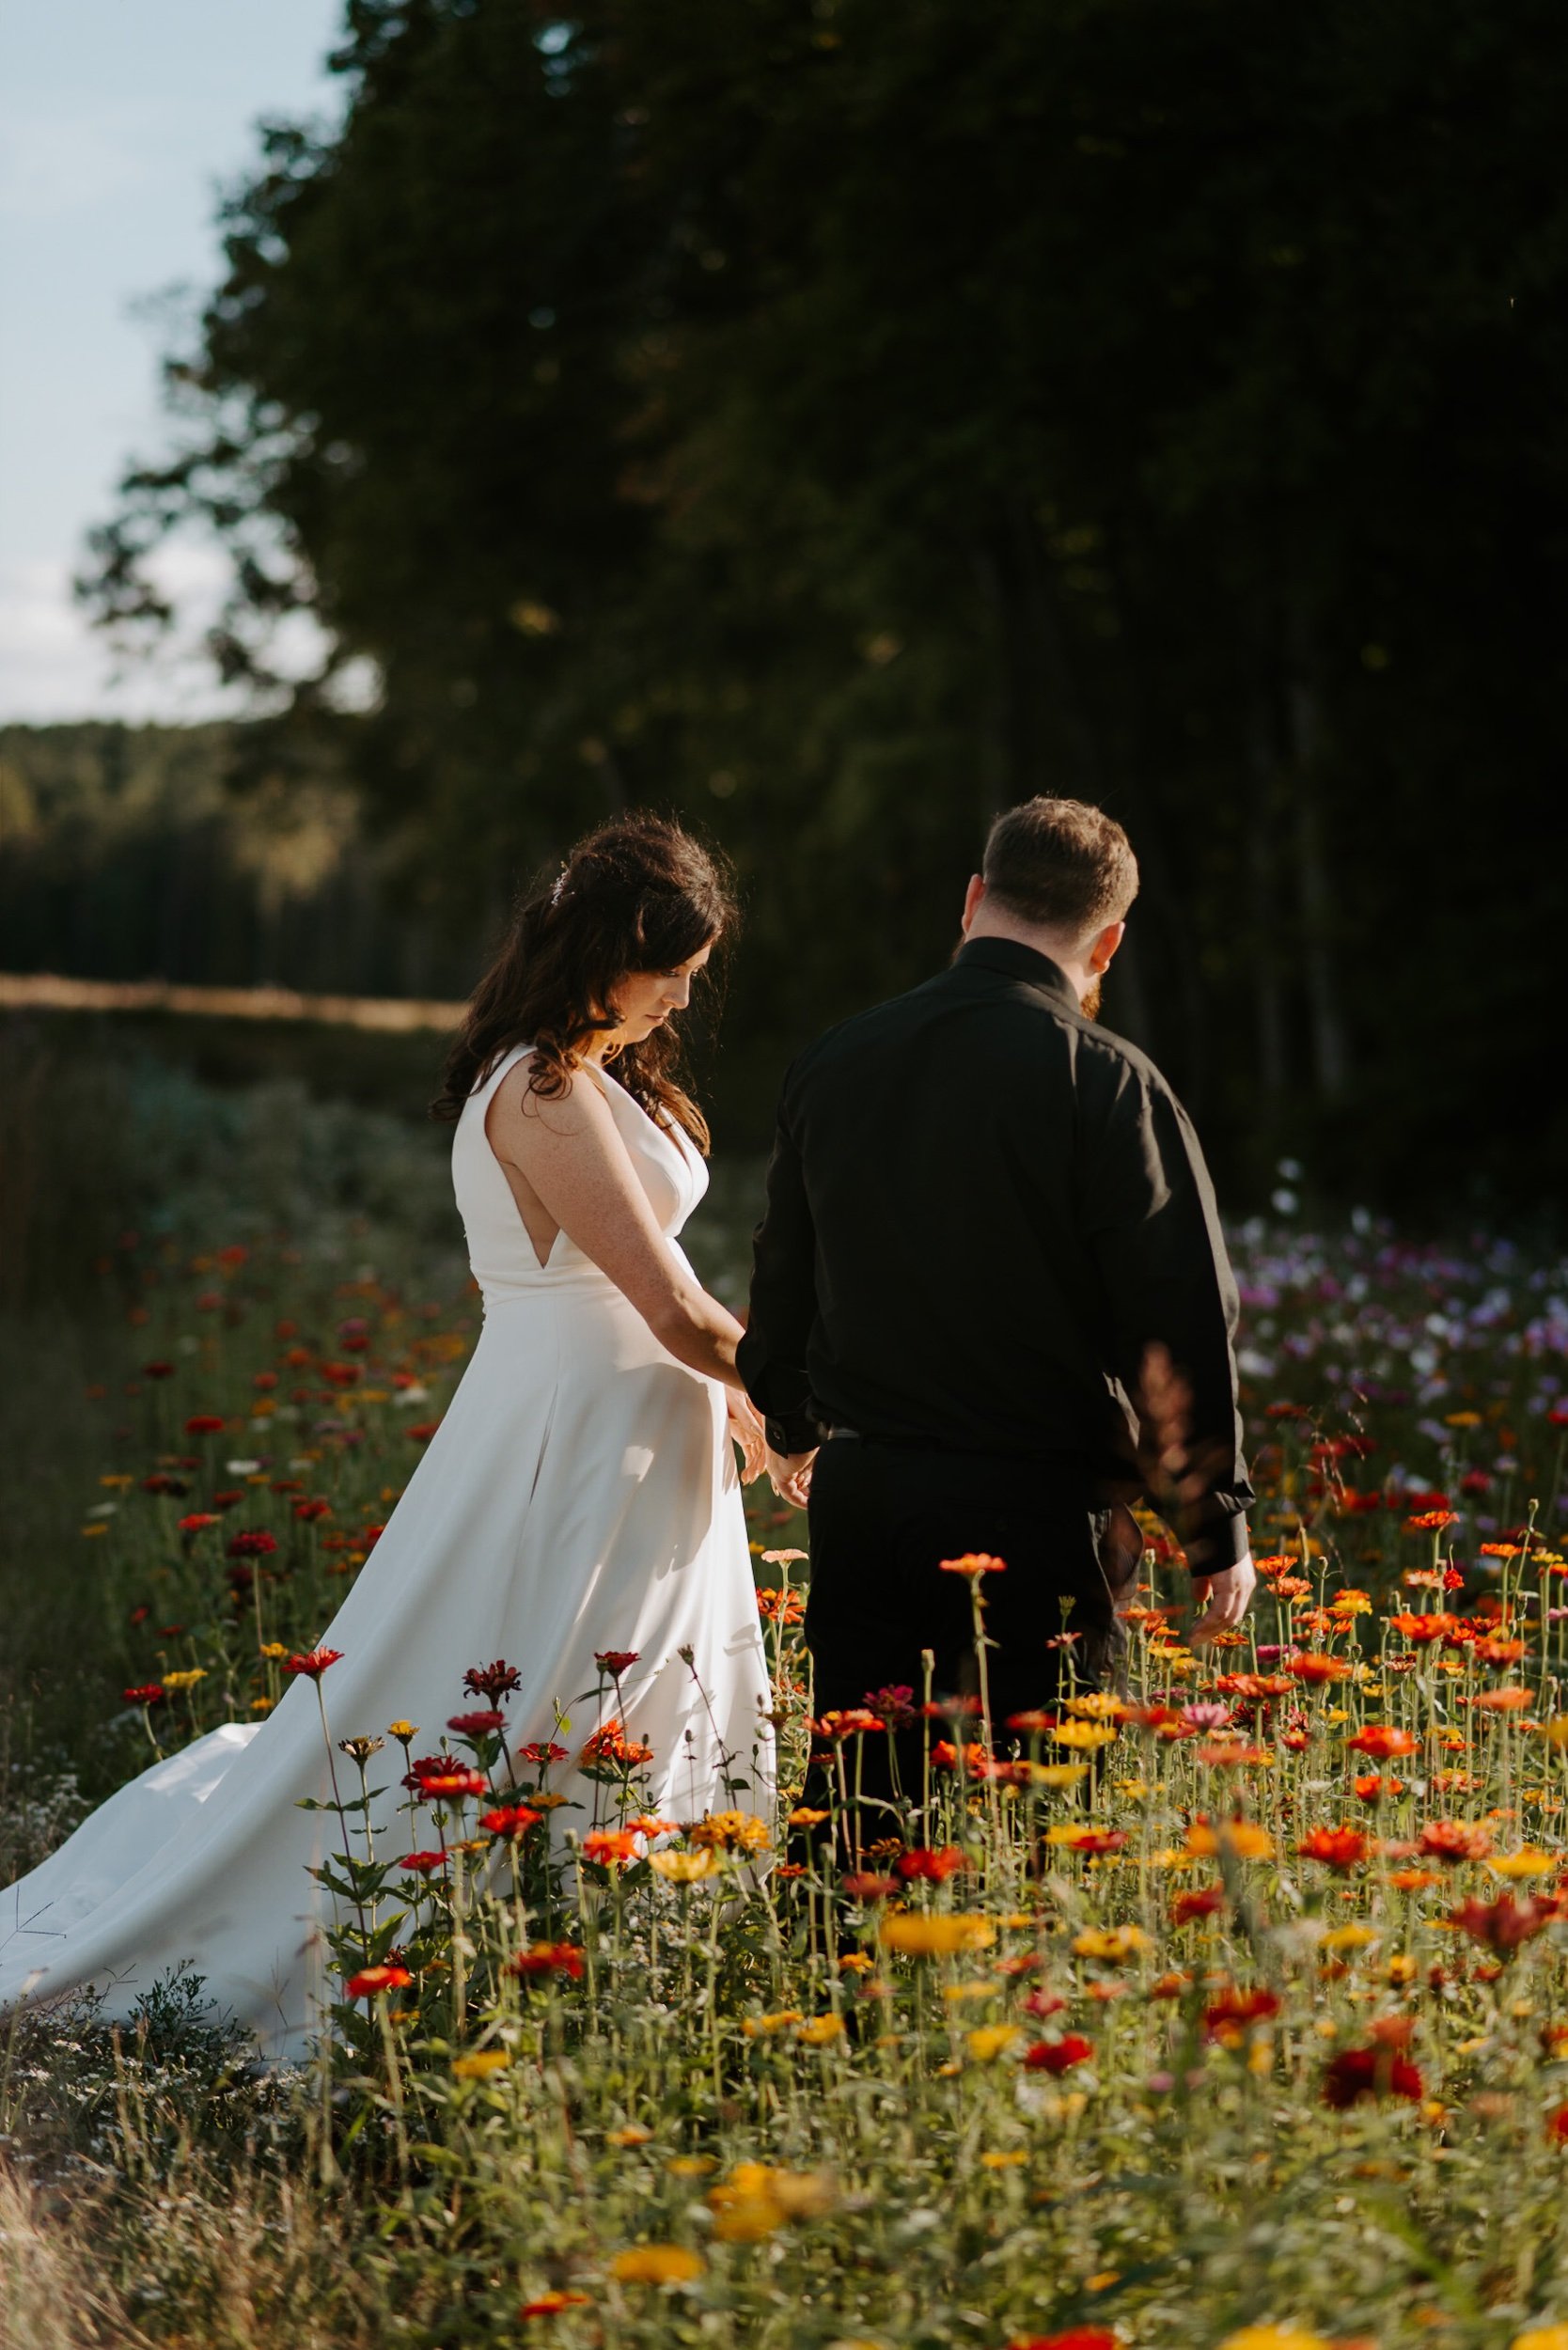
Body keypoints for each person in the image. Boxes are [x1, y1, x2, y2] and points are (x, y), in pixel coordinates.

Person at [0, 815, 773, 2060]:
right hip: (570, 1427)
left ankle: (635, 1950)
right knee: (536, 1685)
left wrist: (738, 1400)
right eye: (668, 962)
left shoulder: (602, 1072)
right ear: (597, 948)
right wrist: (808, 1386)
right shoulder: (542, 1088)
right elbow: (670, 1305)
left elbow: (671, 1288)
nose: (688, 987)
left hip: (641, 1425)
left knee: (631, 1683)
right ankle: (510, 1950)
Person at [739, 795, 1255, 1808]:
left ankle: (837, 1969)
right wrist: (1213, 1525)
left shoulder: (837, 1060)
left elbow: (784, 1272)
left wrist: (793, 1421)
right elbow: (1179, 1316)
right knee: (1034, 1831)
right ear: (1107, 941)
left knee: (858, 1810)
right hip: (1039, 1515)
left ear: (975, 898)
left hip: (869, 1500)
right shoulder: (1110, 1084)